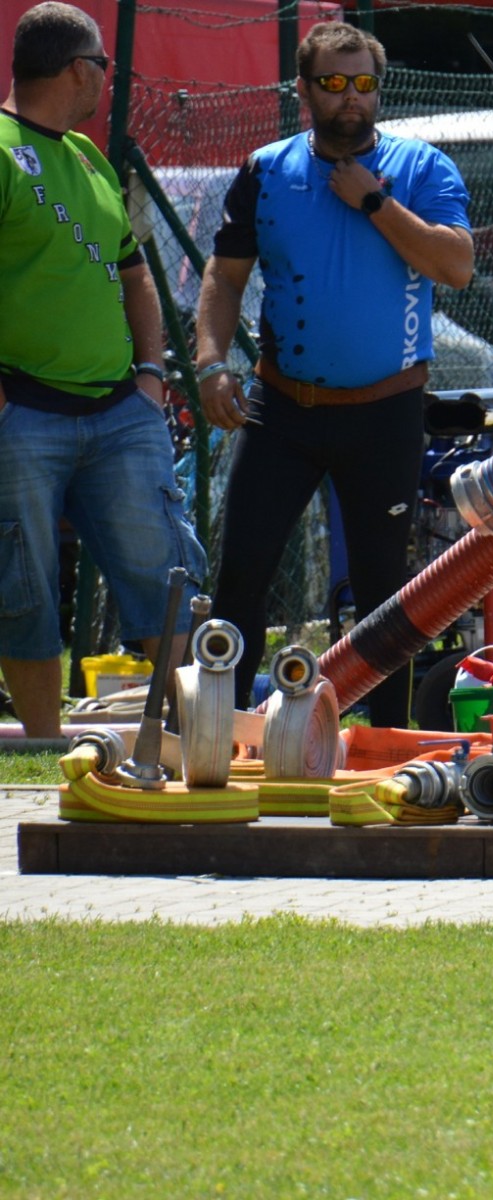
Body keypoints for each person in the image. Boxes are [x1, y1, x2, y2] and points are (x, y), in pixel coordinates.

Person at [193, 20, 474, 729]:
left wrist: (374, 202)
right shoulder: (266, 170)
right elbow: (225, 277)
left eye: (364, 83)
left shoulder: (421, 167)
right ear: (304, 90)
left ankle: (388, 744)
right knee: (241, 578)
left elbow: (455, 266)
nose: (351, 97)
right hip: (282, 409)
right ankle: (219, 740)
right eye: (335, 83)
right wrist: (210, 363)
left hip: (384, 413)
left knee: (385, 592)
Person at [0, 2, 206, 738]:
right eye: (103, 64)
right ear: (75, 69)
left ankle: (193, 740)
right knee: (21, 585)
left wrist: (150, 375)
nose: (107, 79)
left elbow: (135, 274)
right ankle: (41, 749)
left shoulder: (88, 157)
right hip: (22, 411)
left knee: (168, 575)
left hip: (121, 412)